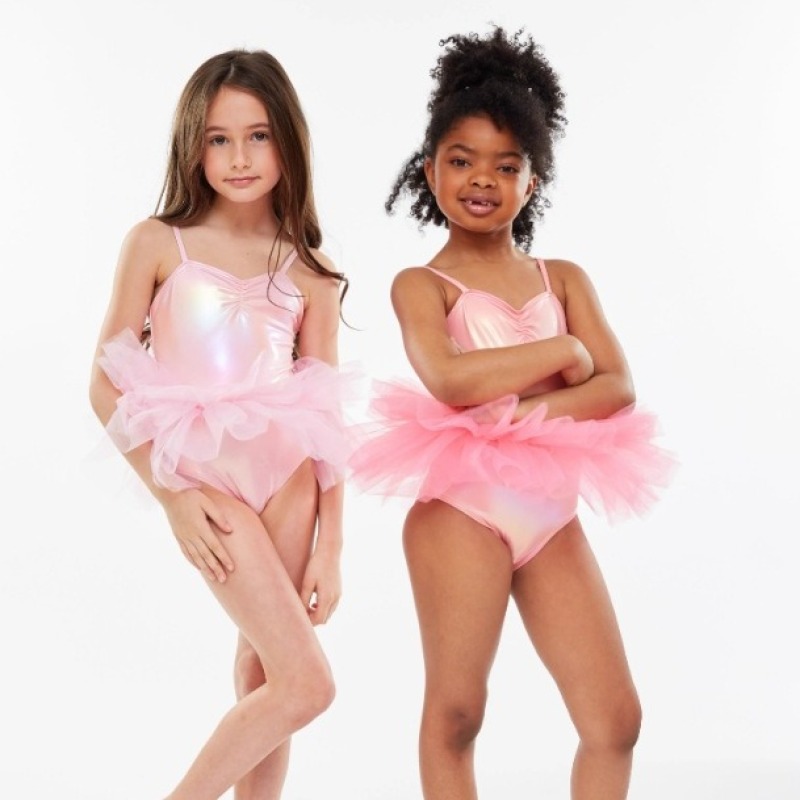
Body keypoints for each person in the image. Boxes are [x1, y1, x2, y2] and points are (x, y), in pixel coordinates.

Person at [349, 27, 675, 800]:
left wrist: (516, 401)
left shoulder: (563, 277)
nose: (483, 180)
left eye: (507, 165)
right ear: (429, 171)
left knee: (615, 720)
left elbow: (618, 388)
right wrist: (563, 350)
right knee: (459, 713)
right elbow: (450, 380)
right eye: (462, 160)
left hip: (549, 514)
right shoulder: (421, 285)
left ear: (534, 181)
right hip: (463, 511)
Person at [89, 49, 356, 800]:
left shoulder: (310, 270)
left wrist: (332, 545)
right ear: (194, 147)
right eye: (219, 139)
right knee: (307, 684)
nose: (239, 157)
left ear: (287, 141)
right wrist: (173, 496)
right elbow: (104, 384)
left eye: (258, 136)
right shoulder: (158, 243)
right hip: (212, 485)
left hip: (291, 478)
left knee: (264, 674)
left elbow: (327, 412)